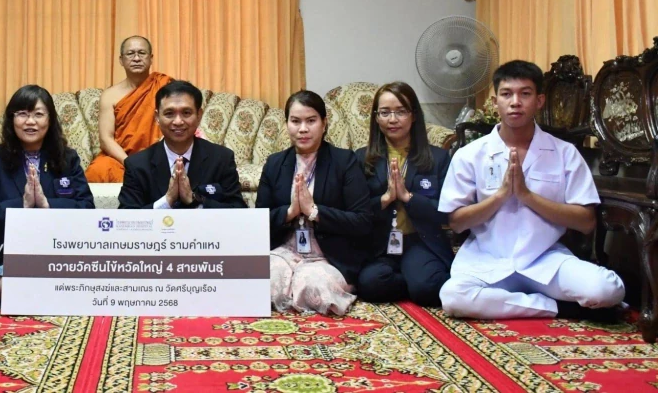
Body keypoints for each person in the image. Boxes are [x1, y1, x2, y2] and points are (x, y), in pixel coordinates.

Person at [439, 60, 625, 321]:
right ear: (495, 103)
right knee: (453, 297)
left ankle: (519, 303)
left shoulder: (564, 153)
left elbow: (586, 222)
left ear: (539, 101)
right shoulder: (470, 154)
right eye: (506, 94)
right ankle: (558, 308)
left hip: (544, 259)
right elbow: (456, 223)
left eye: (525, 94)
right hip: (487, 260)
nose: (515, 102)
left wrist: (528, 196)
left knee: (608, 290)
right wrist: (501, 196)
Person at [0, 85, 95, 306]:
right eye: (22, 114)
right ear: (11, 119)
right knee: (15, 293)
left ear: (50, 119)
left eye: (38, 114)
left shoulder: (68, 159)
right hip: (5, 255)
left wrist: (47, 206)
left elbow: (86, 209)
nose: (30, 122)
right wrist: (21, 206)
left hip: (57, 253)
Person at [256, 90, 372, 315]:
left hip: (327, 256)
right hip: (284, 251)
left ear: (324, 123)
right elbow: (259, 220)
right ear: (286, 123)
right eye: (295, 121)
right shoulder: (275, 163)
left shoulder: (344, 161)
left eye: (311, 121)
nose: (303, 129)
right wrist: (289, 212)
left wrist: (315, 212)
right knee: (264, 281)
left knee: (313, 286)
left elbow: (363, 221)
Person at [354, 82, 452, 307]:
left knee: (428, 290)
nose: (392, 119)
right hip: (380, 243)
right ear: (376, 118)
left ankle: (417, 278)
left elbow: (446, 213)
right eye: (385, 112)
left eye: (400, 111)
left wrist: (409, 198)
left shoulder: (438, 159)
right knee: (370, 285)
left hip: (420, 240)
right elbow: (356, 212)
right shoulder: (361, 159)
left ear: (414, 115)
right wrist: (386, 198)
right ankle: (411, 279)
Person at [117, 80, 246, 209]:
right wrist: (167, 200)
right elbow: (126, 218)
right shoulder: (137, 165)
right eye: (169, 114)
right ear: (157, 117)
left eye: (186, 113)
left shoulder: (221, 158)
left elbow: (239, 211)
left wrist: (194, 199)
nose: (178, 121)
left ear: (199, 115)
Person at [84, 36, 173, 182]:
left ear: (151, 58)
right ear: (121, 60)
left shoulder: (166, 87)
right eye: (130, 53)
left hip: (157, 156)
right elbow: (106, 139)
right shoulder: (110, 95)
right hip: (122, 159)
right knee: (98, 170)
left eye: (142, 53)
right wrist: (130, 163)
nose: (136, 58)